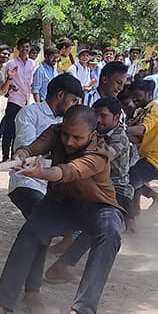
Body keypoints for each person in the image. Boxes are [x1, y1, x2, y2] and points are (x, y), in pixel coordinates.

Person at [0, 105, 125, 314]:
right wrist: (21, 155)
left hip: (98, 207)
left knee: (110, 233)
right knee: (30, 233)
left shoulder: (100, 154)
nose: (69, 142)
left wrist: (42, 173)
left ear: (92, 135)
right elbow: (32, 148)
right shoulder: (56, 132)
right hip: (61, 202)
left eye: (77, 137)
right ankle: (0, 305)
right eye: (66, 135)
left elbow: (67, 171)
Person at [47, 96, 136, 280]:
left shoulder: (119, 137)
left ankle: (63, 264)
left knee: (97, 227)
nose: (98, 120)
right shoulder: (94, 133)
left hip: (115, 190)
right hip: (94, 187)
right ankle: (63, 257)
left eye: (103, 116)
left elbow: (106, 156)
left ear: (116, 118)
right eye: (95, 115)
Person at [6, 73, 84, 218]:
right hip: (28, 182)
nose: (74, 106)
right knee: (43, 219)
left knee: (82, 221)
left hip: (55, 184)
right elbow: (27, 149)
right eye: (73, 100)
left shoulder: (68, 122)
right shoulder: (30, 113)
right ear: (60, 95)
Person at [125, 78, 158, 215]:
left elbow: (142, 130)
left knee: (130, 181)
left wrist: (121, 130)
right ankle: (155, 198)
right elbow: (136, 137)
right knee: (133, 178)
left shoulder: (155, 110)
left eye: (138, 96)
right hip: (152, 158)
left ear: (149, 94)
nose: (135, 99)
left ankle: (133, 217)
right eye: (133, 96)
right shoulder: (142, 111)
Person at [1, 37, 35, 162]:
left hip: (26, 99)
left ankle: (13, 155)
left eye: (27, 47)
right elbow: (6, 80)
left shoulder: (32, 64)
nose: (26, 49)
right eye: (23, 47)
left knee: (19, 130)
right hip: (14, 98)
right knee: (9, 129)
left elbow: (31, 81)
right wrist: (10, 85)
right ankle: (5, 156)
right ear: (18, 48)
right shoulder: (11, 64)